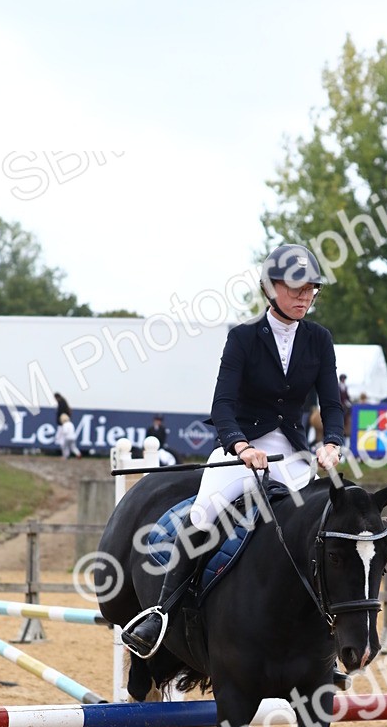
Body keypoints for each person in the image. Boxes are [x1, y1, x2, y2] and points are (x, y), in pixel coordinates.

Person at [121, 242, 344, 658]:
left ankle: (321, 638)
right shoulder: (243, 338)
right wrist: (241, 446)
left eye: (311, 289)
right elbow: (222, 404)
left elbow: (331, 404)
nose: (305, 296)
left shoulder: (319, 339)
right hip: (239, 448)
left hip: (291, 454)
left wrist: (332, 443)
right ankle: (161, 613)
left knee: (319, 526)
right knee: (203, 514)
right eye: (296, 288)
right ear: (270, 288)